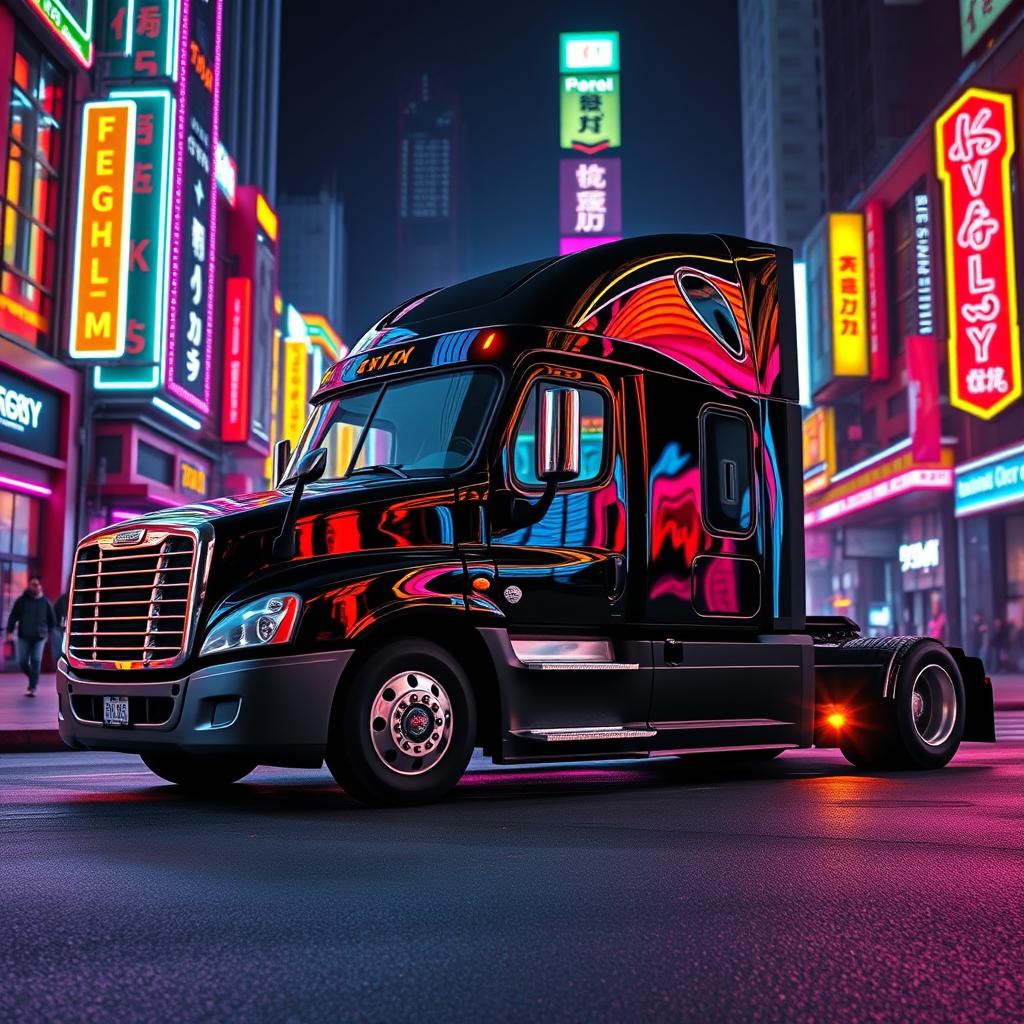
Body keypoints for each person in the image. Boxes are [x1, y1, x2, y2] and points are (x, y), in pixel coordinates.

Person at [5, 575, 56, 697]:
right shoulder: (21, 601)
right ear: (29, 586)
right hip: (24, 636)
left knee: (36, 660)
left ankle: (32, 687)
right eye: (33, 584)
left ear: (40, 587)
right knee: (22, 662)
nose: (36, 587)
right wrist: (9, 631)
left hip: (40, 637)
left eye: (37, 585)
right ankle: (33, 677)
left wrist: (48, 632)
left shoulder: (45, 602)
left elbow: (52, 620)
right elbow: (13, 616)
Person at [51, 588, 69, 665]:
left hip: (67, 629)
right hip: (60, 629)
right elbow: (57, 614)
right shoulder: (62, 599)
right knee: (59, 651)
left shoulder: (63, 599)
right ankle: (60, 663)